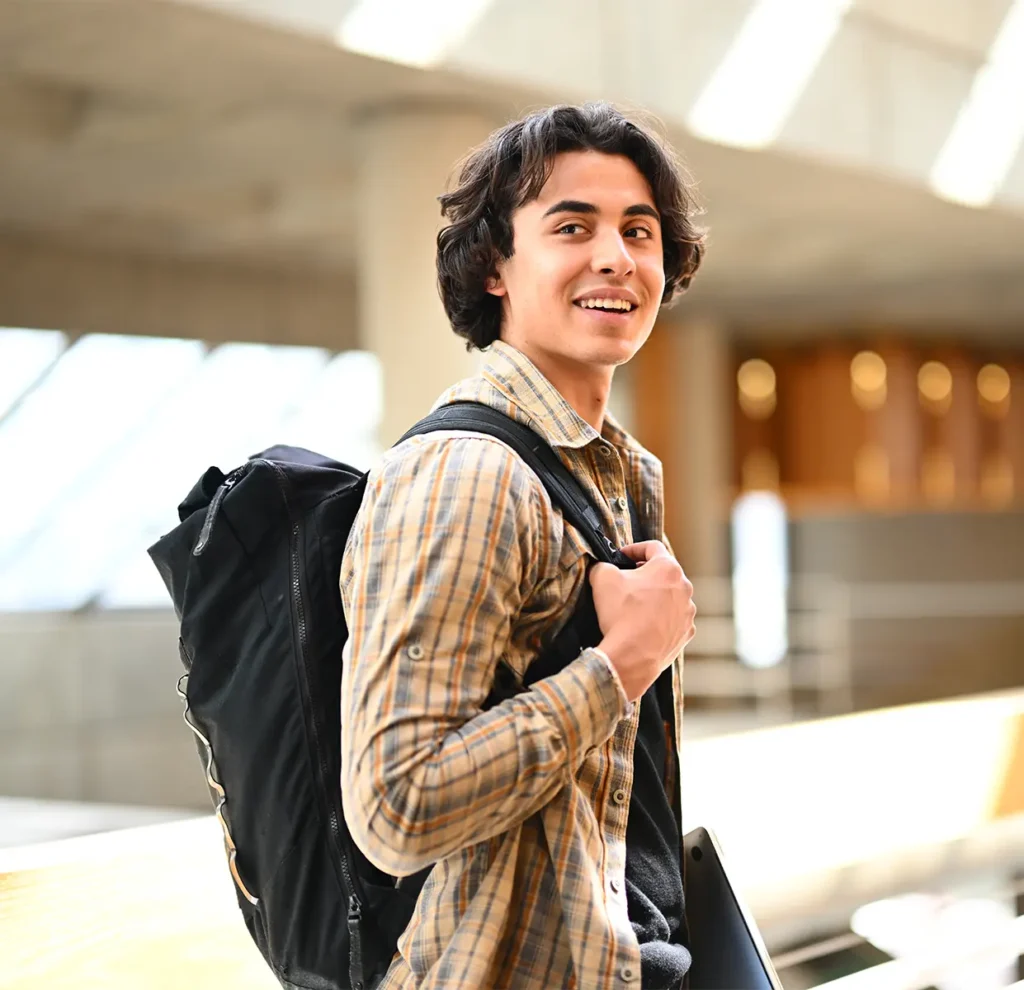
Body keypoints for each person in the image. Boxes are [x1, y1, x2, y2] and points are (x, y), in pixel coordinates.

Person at [340, 102, 705, 990]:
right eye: (571, 226)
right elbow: (396, 803)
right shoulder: (471, 472)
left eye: (639, 230)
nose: (616, 257)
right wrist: (619, 665)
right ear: (495, 265)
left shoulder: (617, 475)